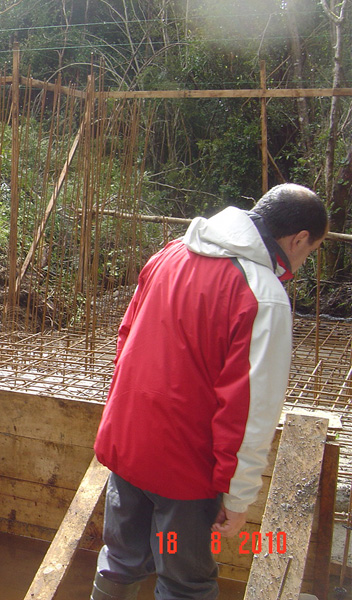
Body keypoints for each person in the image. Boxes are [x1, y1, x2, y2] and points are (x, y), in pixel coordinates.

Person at [91, 183, 328, 600]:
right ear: (299, 239)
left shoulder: (170, 254)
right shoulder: (263, 296)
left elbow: (124, 343)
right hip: (186, 470)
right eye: (308, 253)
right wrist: (238, 496)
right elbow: (252, 409)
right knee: (186, 583)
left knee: (122, 561)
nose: (302, 261)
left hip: (128, 446)